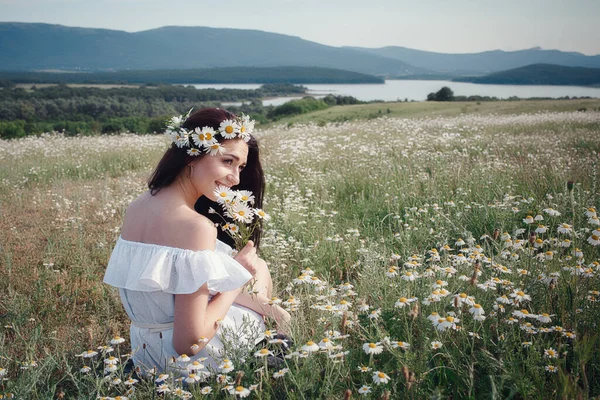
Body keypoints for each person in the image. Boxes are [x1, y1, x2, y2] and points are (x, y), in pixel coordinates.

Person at [103, 108, 291, 375]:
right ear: (192, 156)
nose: (235, 179)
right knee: (253, 269)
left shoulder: (138, 206)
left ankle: (265, 306)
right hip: (187, 366)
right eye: (228, 161)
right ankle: (269, 327)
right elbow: (189, 343)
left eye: (240, 167)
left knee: (252, 266)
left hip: (145, 355)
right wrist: (237, 278)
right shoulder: (195, 227)